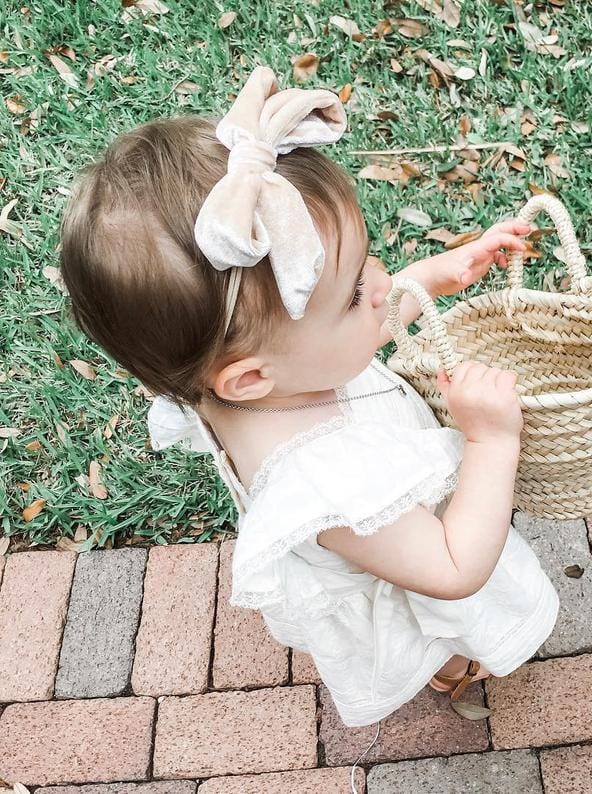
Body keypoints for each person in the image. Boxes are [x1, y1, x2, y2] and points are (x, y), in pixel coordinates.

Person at [59, 64, 559, 734]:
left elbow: (334, 341)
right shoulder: (331, 480)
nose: (381, 283)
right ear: (250, 379)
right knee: (437, 618)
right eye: (354, 293)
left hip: (383, 520)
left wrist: (433, 278)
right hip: (413, 554)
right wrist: (490, 439)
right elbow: (452, 566)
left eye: (365, 266)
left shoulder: (247, 376)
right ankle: (453, 663)